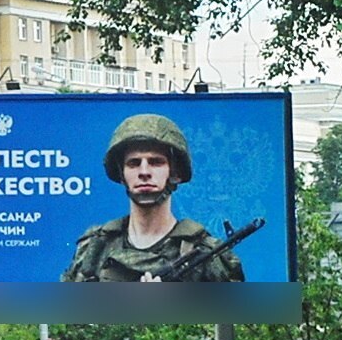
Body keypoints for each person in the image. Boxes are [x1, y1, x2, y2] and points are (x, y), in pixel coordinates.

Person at [62, 114, 247, 283]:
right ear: (122, 174)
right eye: (133, 163)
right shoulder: (94, 249)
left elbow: (236, 319)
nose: (144, 172)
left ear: (175, 173)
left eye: (156, 162)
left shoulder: (206, 256)